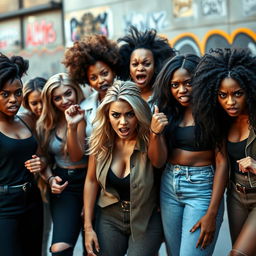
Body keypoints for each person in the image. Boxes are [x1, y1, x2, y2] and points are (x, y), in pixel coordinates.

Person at [148, 54, 227, 256]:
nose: (181, 90)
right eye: (175, 85)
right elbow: (157, 162)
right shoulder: (167, 111)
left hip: (202, 188)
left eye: (188, 83)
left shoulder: (213, 110)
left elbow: (222, 161)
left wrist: (212, 212)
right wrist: (155, 132)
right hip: (169, 186)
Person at [84, 80, 163, 256]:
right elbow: (91, 181)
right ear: (107, 114)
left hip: (146, 218)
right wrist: (88, 227)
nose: (123, 123)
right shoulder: (100, 142)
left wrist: (156, 134)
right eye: (116, 115)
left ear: (139, 113)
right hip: (109, 216)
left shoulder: (151, 138)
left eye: (129, 114)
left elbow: (159, 162)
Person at [192, 48, 256, 256]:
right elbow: (222, 164)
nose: (230, 101)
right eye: (223, 95)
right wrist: (212, 211)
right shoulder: (220, 122)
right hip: (236, 196)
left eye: (238, 93)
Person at [37, 72, 87, 256]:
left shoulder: (85, 113)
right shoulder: (47, 122)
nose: (64, 100)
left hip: (91, 182)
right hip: (64, 185)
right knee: (59, 250)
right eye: (57, 98)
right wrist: (50, 179)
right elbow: (42, 158)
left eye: (68, 93)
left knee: (93, 249)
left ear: (76, 90)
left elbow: (76, 155)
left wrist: (72, 126)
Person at [0, 53, 43, 256]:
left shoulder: (26, 120)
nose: (13, 100)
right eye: (5, 94)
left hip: (32, 201)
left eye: (18, 93)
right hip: (4, 208)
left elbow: (39, 156)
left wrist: (41, 166)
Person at [63, 34, 121, 137]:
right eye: (93, 78)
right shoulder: (84, 108)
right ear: (87, 81)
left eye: (104, 73)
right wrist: (71, 126)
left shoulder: (130, 98)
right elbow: (77, 152)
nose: (101, 81)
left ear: (113, 71)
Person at [118, 26, 176, 104]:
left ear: (156, 66)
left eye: (146, 64)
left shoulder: (165, 96)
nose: (140, 68)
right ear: (128, 68)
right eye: (135, 64)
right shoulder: (121, 97)